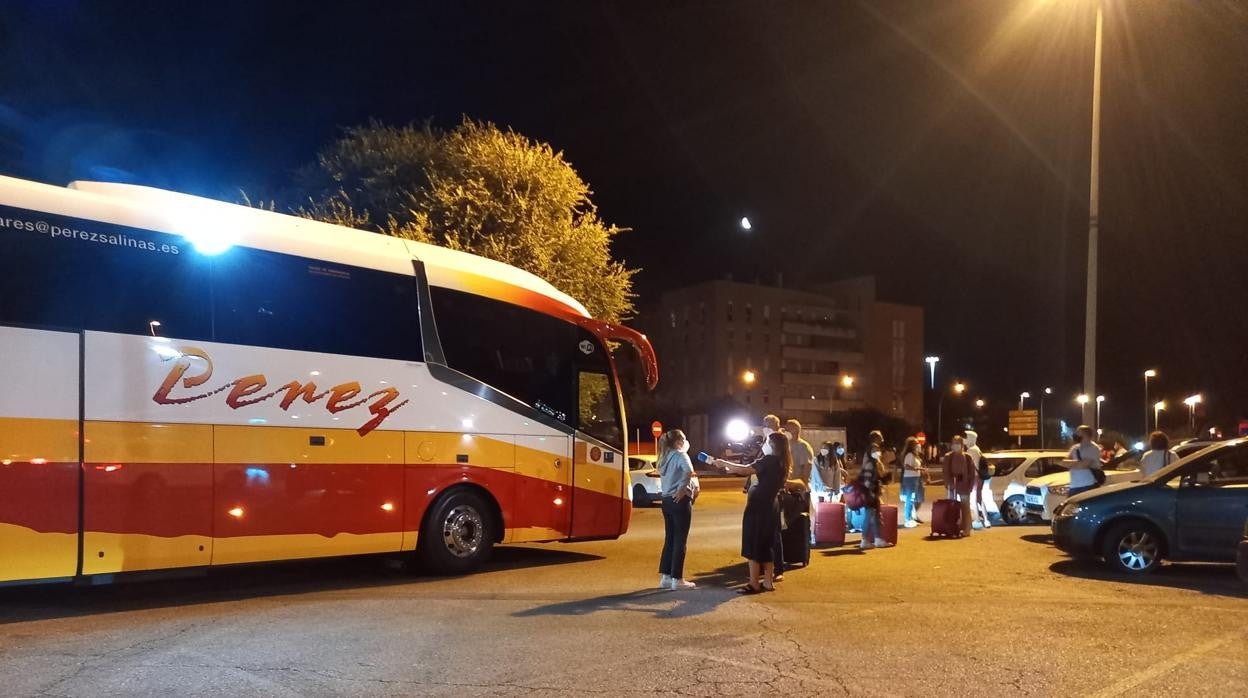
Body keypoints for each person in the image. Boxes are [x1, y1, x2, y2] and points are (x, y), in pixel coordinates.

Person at [709, 432, 794, 594]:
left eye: (767, 441)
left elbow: (746, 470)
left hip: (758, 507)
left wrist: (722, 462)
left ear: (773, 445)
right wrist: (729, 468)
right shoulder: (783, 462)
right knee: (766, 543)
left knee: (753, 543)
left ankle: (754, 583)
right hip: (771, 505)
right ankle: (768, 582)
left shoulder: (769, 460)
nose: (764, 444)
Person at [655, 429, 697, 590]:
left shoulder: (664, 457)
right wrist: (682, 488)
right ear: (679, 441)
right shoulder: (680, 455)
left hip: (666, 501)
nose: (686, 442)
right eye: (684, 439)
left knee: (670, 539)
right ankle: (677, 579)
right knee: (680, 539)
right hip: (679, 501)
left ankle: (665, 577)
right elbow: (688, 471)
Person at [856, 435, 894, 550]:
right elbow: (868, 481)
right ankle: (864, 540)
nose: (877, 452)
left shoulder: (875, 463)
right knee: (869, 516)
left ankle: (877, 538)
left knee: (876, 516)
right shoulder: (870, 464)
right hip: (870, 494)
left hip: (874, 493)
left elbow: (877, 478)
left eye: (878, 450)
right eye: (874, 451)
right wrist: (871, 494)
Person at [785, 419, 818, 545]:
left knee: (801, 516)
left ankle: (806, 539)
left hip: (798, 488)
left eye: (789, 428)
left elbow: (806, 469)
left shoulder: (803, 446)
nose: (786, 430)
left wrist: (801, 486)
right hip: (787, 486)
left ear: (796, 430)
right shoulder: (785, 445)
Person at [941, 434, 976, 537]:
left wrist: (970, 486)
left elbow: (972, 473)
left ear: (961, 444)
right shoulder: (948, 457)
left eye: (958, 443)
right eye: (954, 443)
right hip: (952, 487)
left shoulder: (968, 457)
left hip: (964, 486)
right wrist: (948, 484)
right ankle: (952, 528)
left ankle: (966, 528)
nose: (956, 445)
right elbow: (945, 472)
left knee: (965, 508)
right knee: (952, 508)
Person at [1065, 425, 1103, 496]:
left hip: (1088, 486)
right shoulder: (1075, 448)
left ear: (1085, 435)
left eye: (1078, 433)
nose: (1075, 435)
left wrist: (1071, 464)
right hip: (1074, 486)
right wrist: (1077, 464)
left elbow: (1084, 465)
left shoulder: (1093, 448)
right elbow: (1064, 462)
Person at [965, 430, 991, 529]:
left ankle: (977, 520)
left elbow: (968, 465)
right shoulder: (977, 449)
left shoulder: (971, 450)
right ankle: (986, 520)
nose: (965, 440)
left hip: (975, 477)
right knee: (979, 498)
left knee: (974, 499)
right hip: (979, 477)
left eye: (967, 438)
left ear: (971, 439)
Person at [898, 436, 925, 528]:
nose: (918, 445)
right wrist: (917, 468)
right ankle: (908, 519)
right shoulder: (909, 455)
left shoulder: (915, 455)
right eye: (916, 443)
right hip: (910, 479)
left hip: (915, 478)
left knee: (915, 499)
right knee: (910, 499)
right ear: (911, 445)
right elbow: (906, 466)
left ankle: (912, 517)